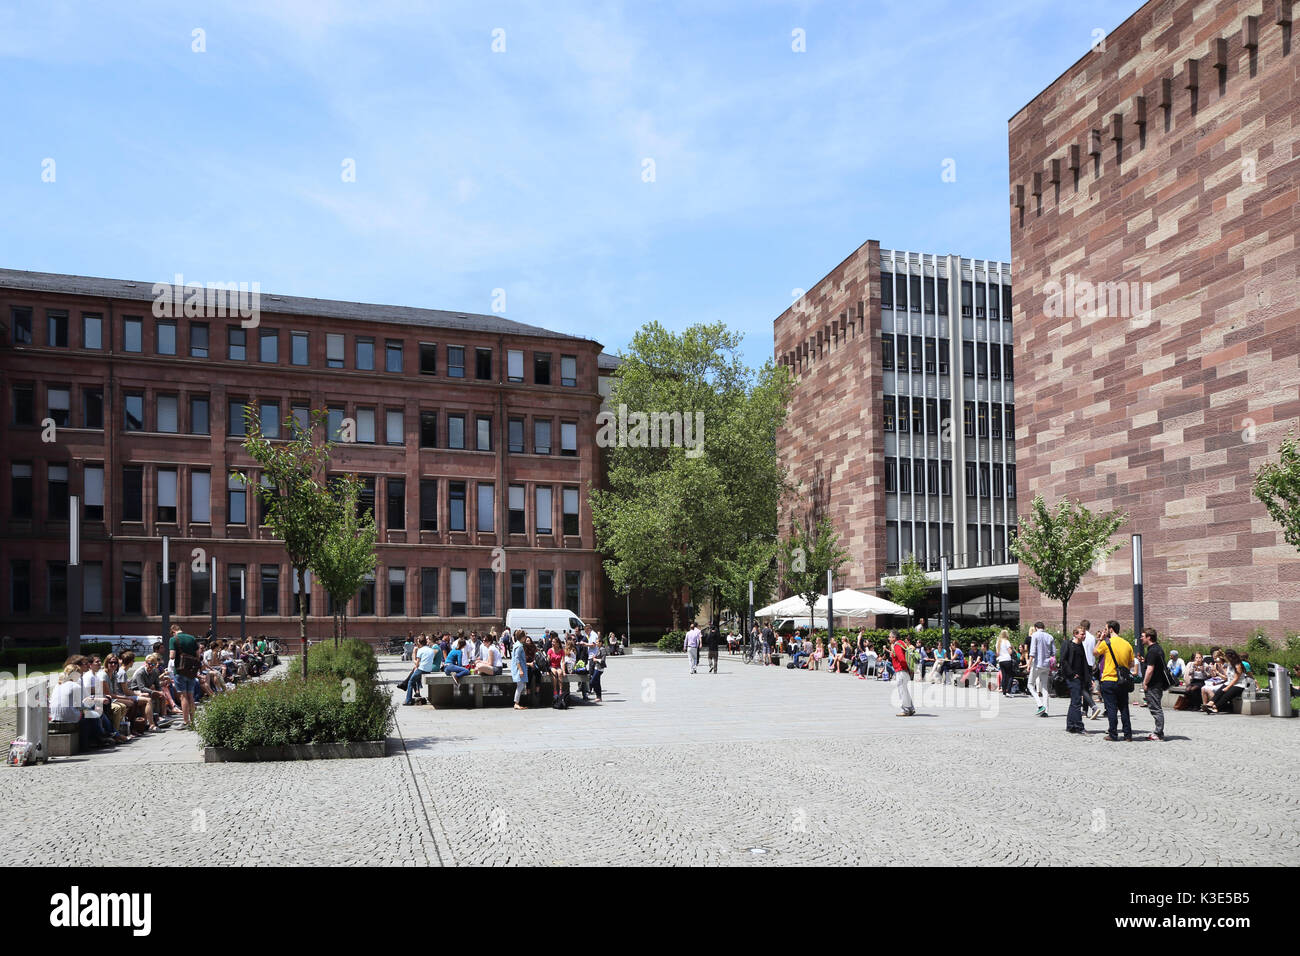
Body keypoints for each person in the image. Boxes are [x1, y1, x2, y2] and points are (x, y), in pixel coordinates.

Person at [1095, 620, 1135, 741]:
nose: (1104, 631)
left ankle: (1113, 734)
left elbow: (1095, 653)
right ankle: (1128, 735)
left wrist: (1100, 639)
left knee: (1111, 708)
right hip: (1122, 681)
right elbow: (1131, 663)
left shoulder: (1106, 643)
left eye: (1106, 629)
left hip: (1108, 679)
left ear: (1111, 629)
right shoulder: (1127, 644)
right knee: (1124, 708)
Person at [167, 625, 201, 730]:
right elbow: (198, 655)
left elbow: (172, 656)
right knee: (191, 696)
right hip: (191, 671)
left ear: (173, 631)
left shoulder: (173, 639)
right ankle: (193, 721)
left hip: (180, 670)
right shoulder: (192, 638)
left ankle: (186, 722)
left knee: (183, 697)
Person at [1139, 627, 1168, 740]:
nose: (1141, 638)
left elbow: (1150, 669)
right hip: (1158, 683)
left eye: (1143, 636)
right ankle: (1158, 731)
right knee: (1156, 707)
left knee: (1156, 708)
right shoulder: (1158, 649)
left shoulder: (1152, 651)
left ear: (1148, 637)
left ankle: (1159, 733)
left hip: (1153, 684)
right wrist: (1144, 661)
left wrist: (1145, 683)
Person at [1060, 627, 1090, 734]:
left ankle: (1071, 725)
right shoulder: (1068, 644)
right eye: (1082, 634)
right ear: (1075, 634)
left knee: (1074, 702)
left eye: (1084, 634)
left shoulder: (1080, 645)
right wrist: (1072, 674)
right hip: (1072, 678)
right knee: (1077, 702)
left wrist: (1087, 678)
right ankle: (1079, 726)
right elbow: (1063, 661)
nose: (1084, 636)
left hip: (1080, 677)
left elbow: (1084, 663)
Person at [405, 636, 443, 706]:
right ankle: (416, 691)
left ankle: (408, 700)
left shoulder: (420, 650)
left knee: (410, 681)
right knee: (415, 677)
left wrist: (413, 657)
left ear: (419, 642)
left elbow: (417, 663)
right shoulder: (431, 650)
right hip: (429, 670)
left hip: (422, 669)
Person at [1206, 649, 1245, 714]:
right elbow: (1228, 675)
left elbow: (1236, 679)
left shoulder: (1238, 665)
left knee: (1227, 694)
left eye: (1227, 657)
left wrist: (1227, 687)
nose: (1226, 659)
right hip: (1229, 682)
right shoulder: (1230, 664)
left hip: (1239, 684)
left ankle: (1216, 707)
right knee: (1220, 691)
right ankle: (1210, 703)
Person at [1027, 622, 1054, 717]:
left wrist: (1028, 664)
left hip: (1037, 664)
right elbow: (1053, 652)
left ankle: (1040, 705)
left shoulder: (1035, 635)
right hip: (1046, 664)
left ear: (1035, 628)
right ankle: (1046, 710)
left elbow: (1032, 651)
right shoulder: (1050, 637)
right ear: (1044, 627)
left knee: (1030, 684)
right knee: (1044, 687)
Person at [891, 630, 914, 717]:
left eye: (890, 637)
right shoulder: (902, 643)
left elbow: (902, 659)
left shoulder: (897, 645)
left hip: (901, 671)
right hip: (904, 671)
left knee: (902, 691)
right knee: (905, 691)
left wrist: (904, 668)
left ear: (894, 638)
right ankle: (910, 708)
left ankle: (905, 710)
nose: (889, 638)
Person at [510, 630, 530, 710]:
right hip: (519, 668)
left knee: (520, 686)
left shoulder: (516, 645)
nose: (525, 637)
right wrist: (520, 670)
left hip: (517, 668)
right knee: (520, 686)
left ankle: (516, 703)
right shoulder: (520, 646)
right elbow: (517, 659)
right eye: (525, 636)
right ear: (522, 637)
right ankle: (516, 703)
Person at [996, 628, 1014, 696]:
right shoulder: (1007, 641)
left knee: (1004, 676)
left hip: (1001, 660)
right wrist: (1011, 649)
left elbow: (997, 653)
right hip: (1007, 659)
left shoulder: (998, 642)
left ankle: (1004, 692)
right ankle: (1008, 691)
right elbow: (1010, 652)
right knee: (1009, 676)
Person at [589, 634, 607, 702]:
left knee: (592, 681)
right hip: (597, 668)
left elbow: (603, 660)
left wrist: (595, 659)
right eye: (596, 642)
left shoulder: (602, 649)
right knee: (597, 682)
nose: (596, 643)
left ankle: (596, 694)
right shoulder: (598, 649)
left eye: (597, 642)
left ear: (600, 643)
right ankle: (598, 697)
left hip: (600, 669)